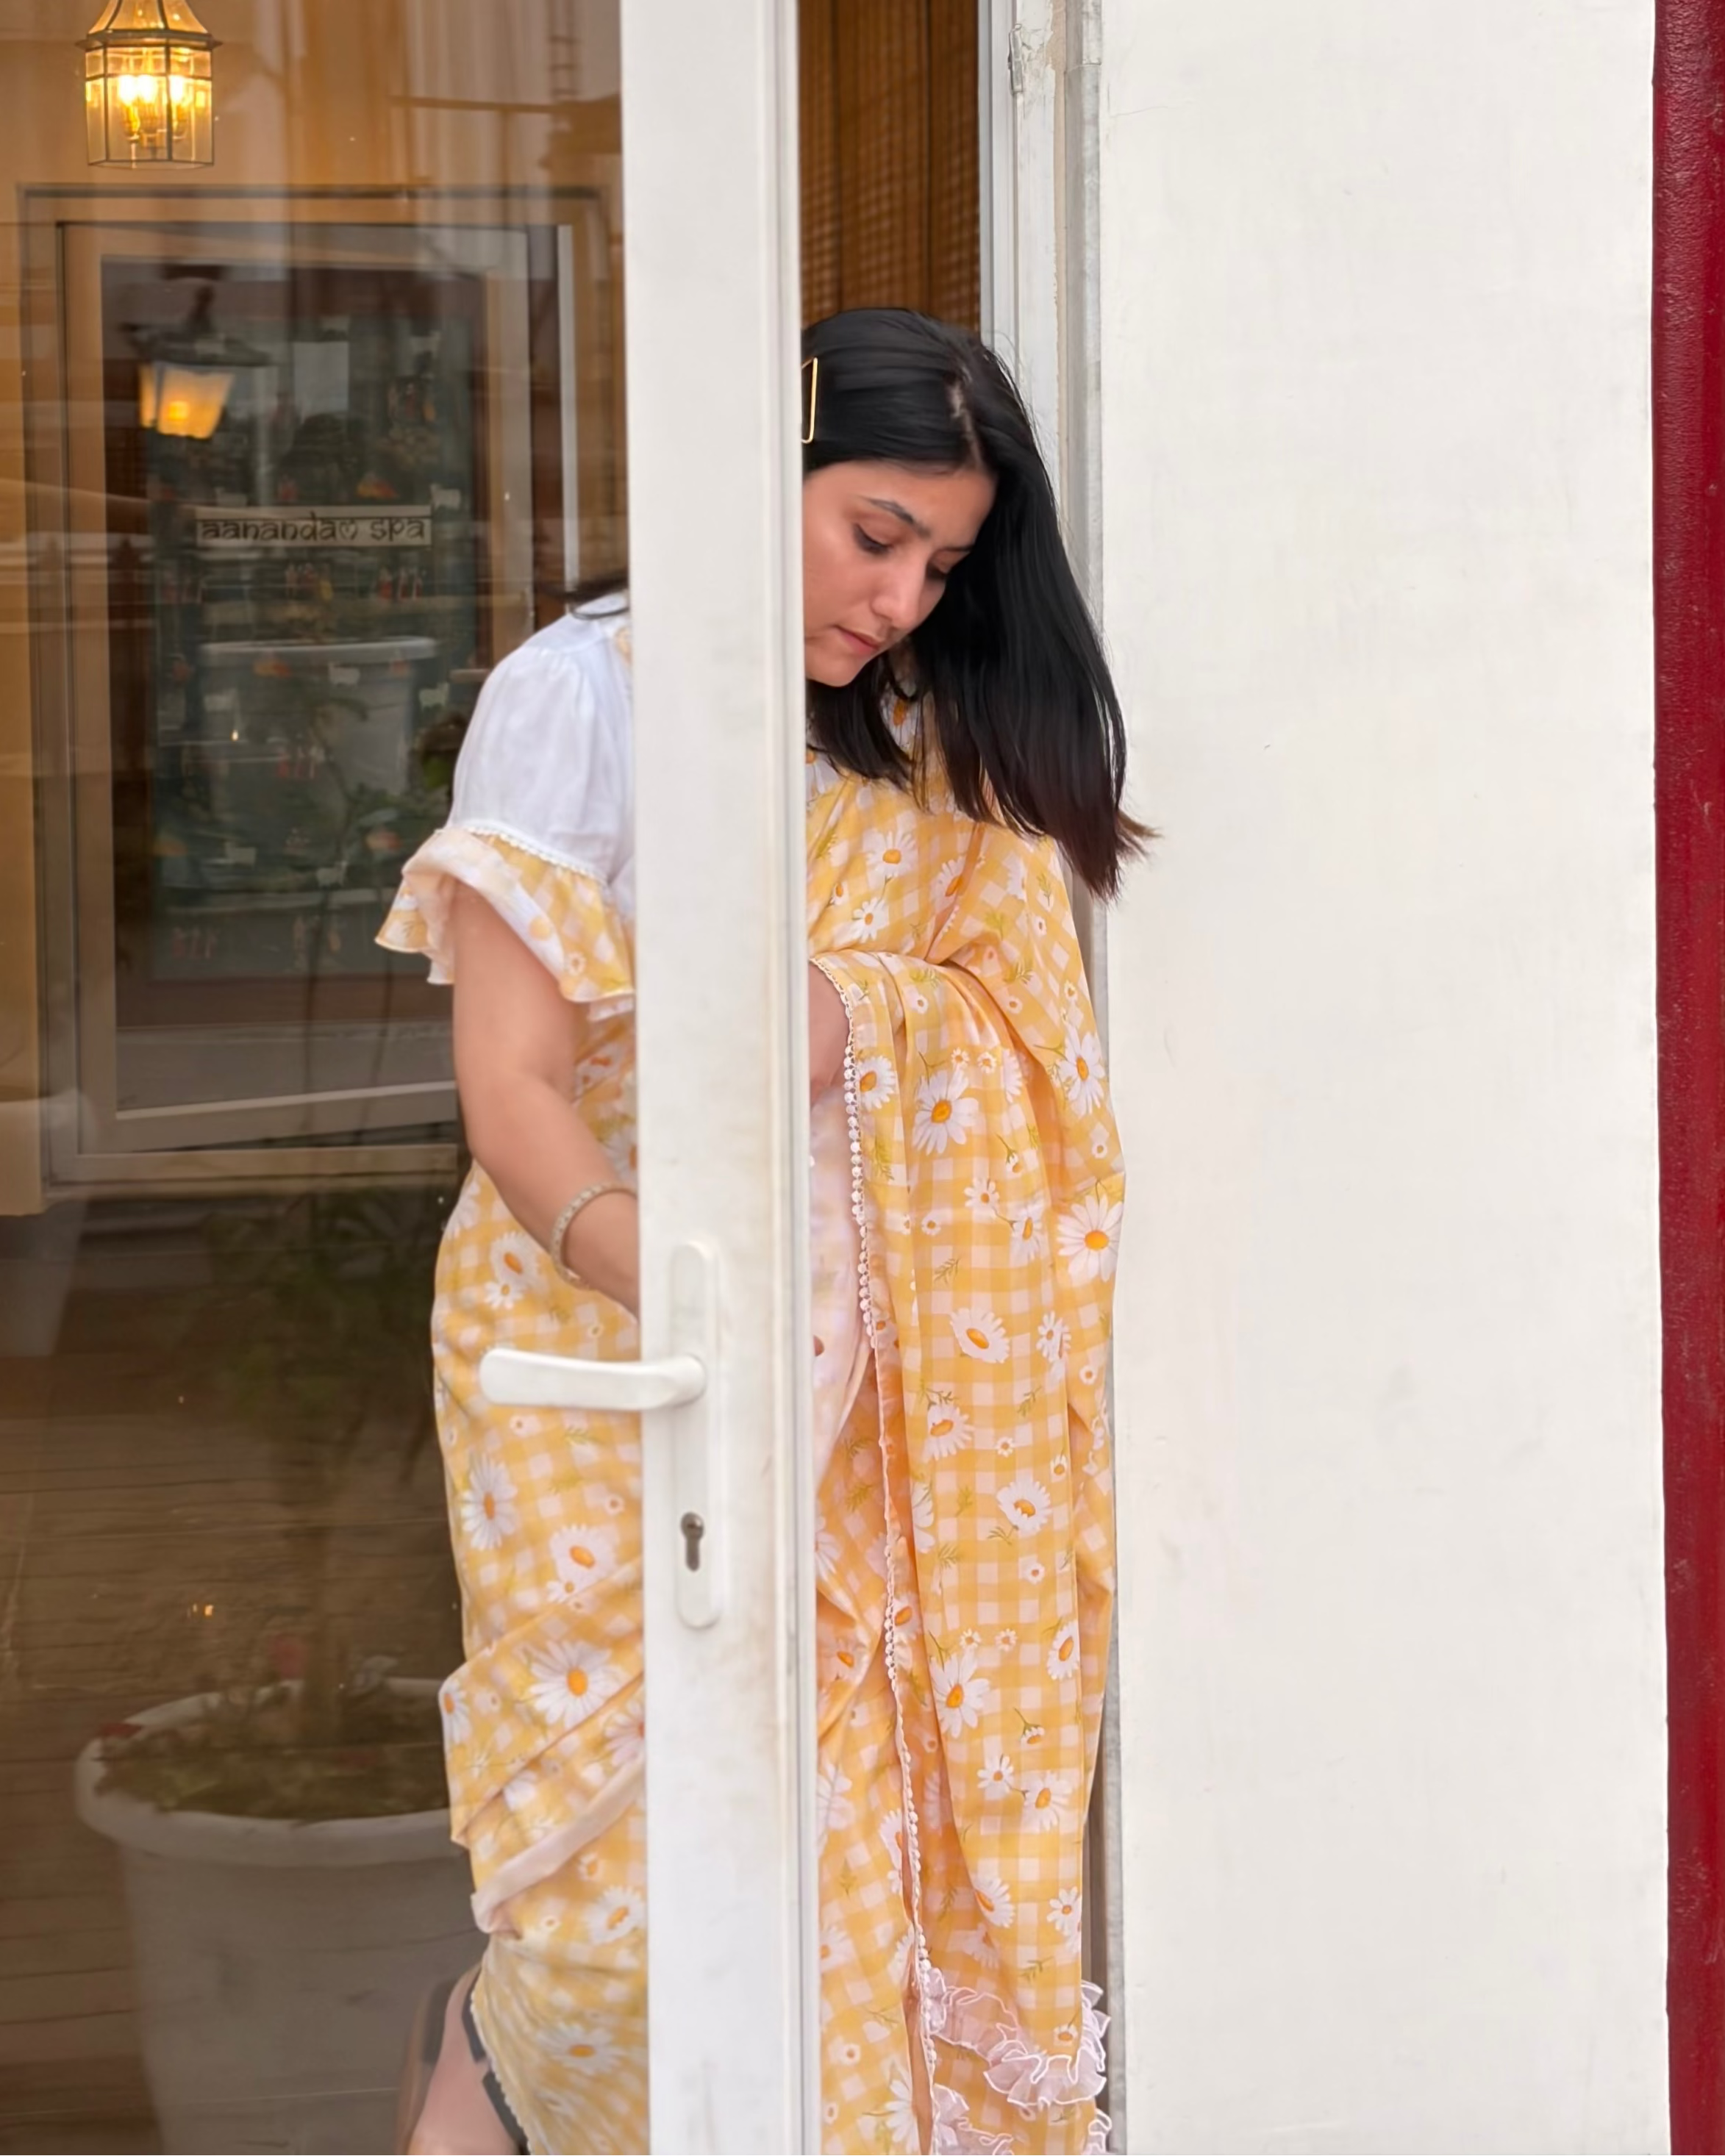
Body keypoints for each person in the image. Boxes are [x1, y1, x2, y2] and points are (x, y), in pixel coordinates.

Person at [384, 307, 1143, 2156]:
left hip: (871, 1401)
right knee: (607, 1926)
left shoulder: (917, 739)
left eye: (942, 566)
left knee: (829, 1920)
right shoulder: (589, 694)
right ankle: (488, 2067)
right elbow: (516, 1094)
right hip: (612, 1338)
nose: (901, 599)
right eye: (874, 532)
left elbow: (1017, 1027)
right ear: (761, 475)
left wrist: (856, 1012)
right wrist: (690, 1293)